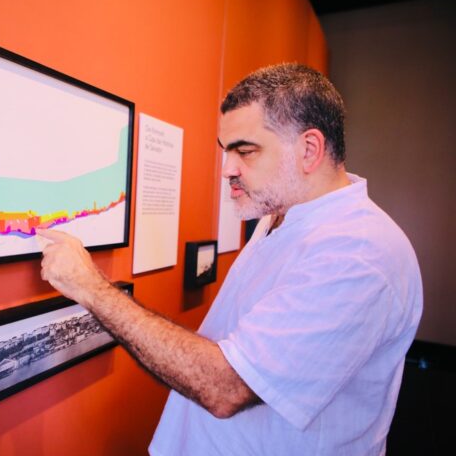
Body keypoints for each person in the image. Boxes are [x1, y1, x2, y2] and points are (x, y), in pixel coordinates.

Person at [36, 63, 422, 455]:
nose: (227, 170)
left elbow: (227, 387)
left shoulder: (357, 253)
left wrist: (91, 287)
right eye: (226, 151)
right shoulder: (279, 215)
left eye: (245, 151)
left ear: (309, 150)